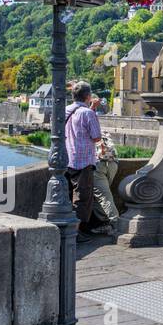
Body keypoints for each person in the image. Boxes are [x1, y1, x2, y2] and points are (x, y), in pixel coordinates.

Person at [65, 81, 109, 242]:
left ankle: (70, 230)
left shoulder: (65, 110)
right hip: (82, 161)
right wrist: (93, 109)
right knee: (82, 198)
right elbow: (96, 136)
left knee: (68, 196)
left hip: (65, 160)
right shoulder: (87, 113)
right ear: (88, 96)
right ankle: (74, 234)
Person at [89, 96, 120, 232]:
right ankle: (105, 224)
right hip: (113, 162)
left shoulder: (84, 117)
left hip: (99, 163)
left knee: (103, 196)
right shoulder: (96, 122)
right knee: (100, 196)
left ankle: (116, 224)